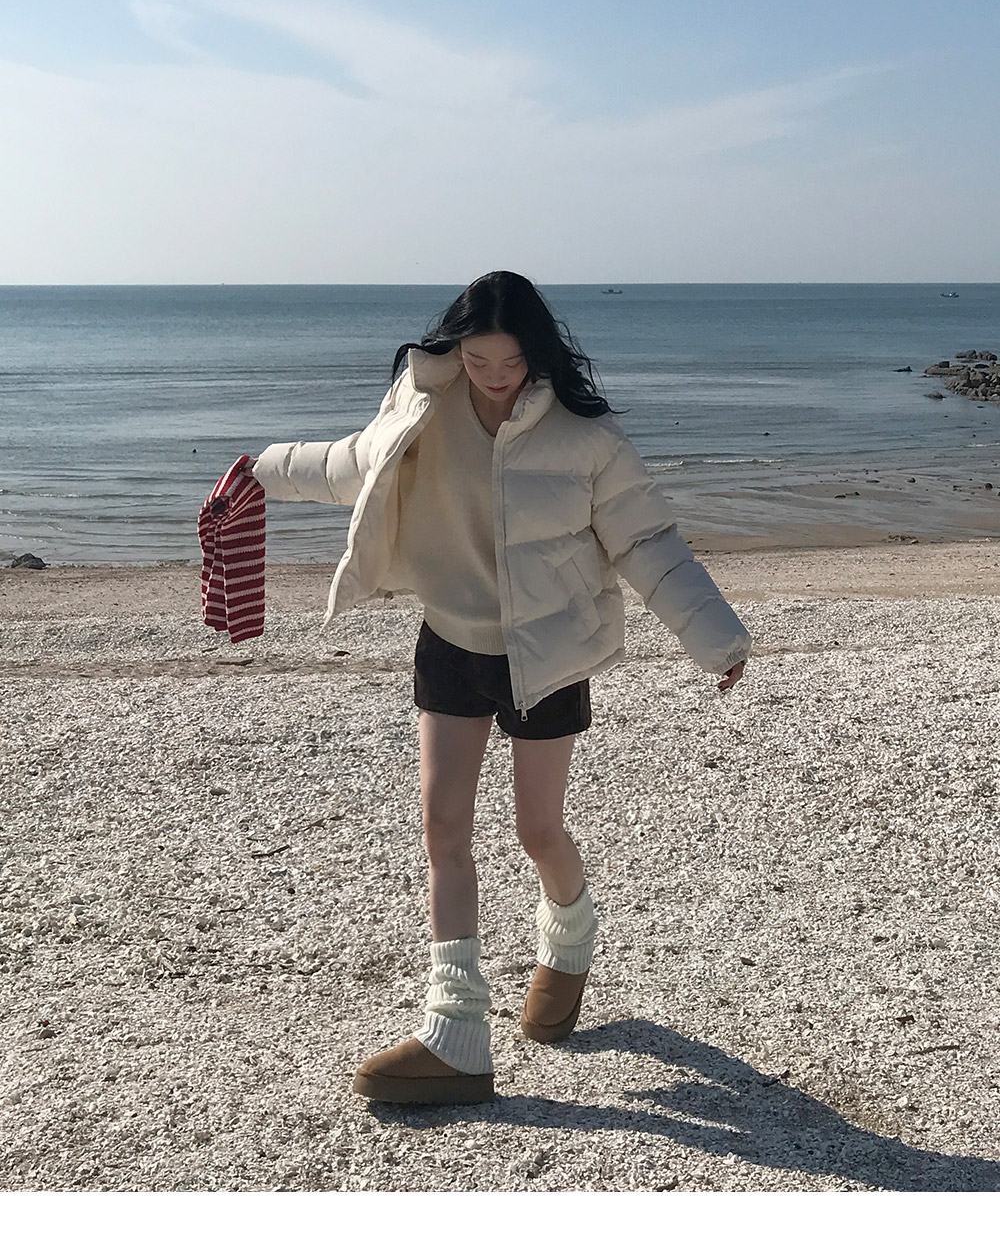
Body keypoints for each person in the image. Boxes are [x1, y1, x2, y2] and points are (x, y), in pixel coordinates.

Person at [248, 271, 751, 1105]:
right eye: (477, 360)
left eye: (509, 362)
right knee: (442, 827)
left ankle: (570, 935)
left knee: (536, 829)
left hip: (546, 652)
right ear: (455, 349)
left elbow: (647, 541)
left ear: (537, 354)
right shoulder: (422, 405)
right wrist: (260, 469)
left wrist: (716, 638)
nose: (493, 376)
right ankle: (456, 1031)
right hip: (451, 640)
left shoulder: (585, 437)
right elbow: (352, 465)